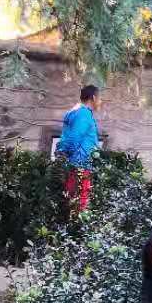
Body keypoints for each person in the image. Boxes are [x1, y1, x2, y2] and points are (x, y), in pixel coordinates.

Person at [59, 85, 101, 213]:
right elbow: (74, 138)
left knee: (72, 201)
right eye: (100, 98)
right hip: (80, 165)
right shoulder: (83, 114)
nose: (100, 102)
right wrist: (73, 160)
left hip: (76, 165)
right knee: (79, 206)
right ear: (93, 98)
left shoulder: (75, 112)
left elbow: (68, 139)